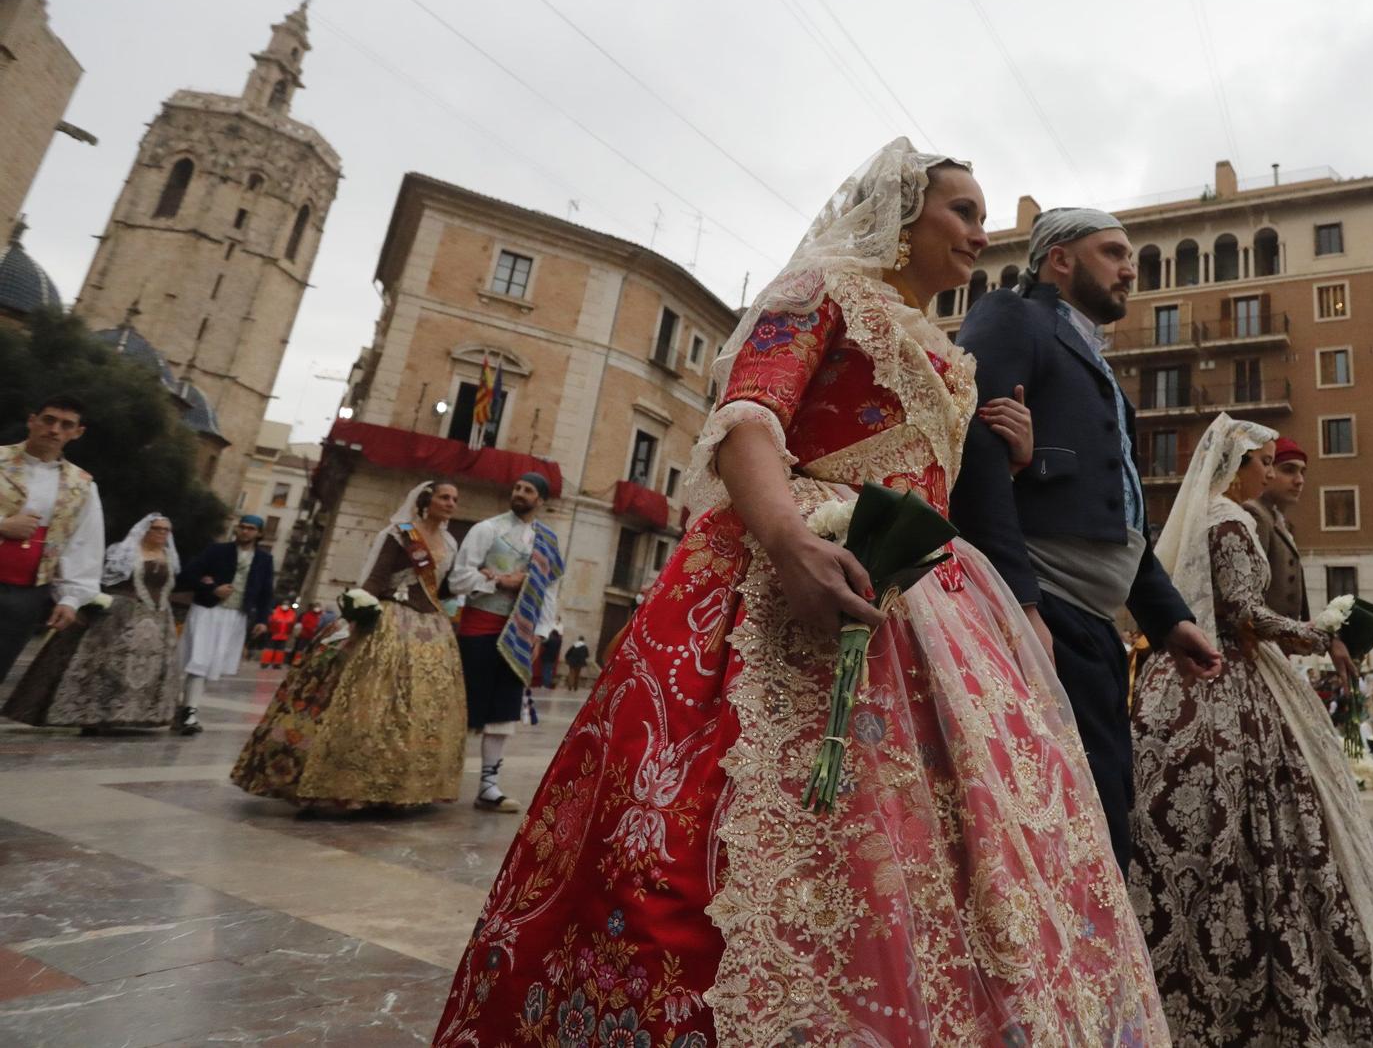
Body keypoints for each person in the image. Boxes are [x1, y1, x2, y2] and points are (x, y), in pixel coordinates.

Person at [432, 140, 1168, 1047]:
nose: (981, 233)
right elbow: (750, 416)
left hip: (936, 605)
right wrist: (785, 538)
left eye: (982, 215)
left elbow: (960, 496)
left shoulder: (949, 353)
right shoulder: (821, 290)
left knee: (942, 860)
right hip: (796, 572)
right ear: (903, 214)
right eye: (963, 211)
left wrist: (1005, 465)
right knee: (718, 839)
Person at [1129, 415, 1373, 1045]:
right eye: (1264, 462)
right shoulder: (1231, 519)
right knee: (1269, 824)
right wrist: (1318, 636)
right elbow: (1241, 611)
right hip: (1234, 683)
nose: (1270, 471)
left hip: (1179, 682)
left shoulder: (1203, 518)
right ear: (1237, 465)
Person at [951, 204, 1223, 872]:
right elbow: (976, 448)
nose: (1131, 267)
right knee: (1072, 821)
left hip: (1093, 623)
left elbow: (1121, 513)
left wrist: (1167, 616)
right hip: (1043, 611)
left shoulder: (1097, 364)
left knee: (1104, 807)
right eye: (1112, 251)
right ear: (1061, 259)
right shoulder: (1012, 315)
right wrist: (1021, 602)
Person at [233, 481, 470, 812]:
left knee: (418, 708)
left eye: (455, 499)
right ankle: (346, 783)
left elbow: (441, 589)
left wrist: (478, 581)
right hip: (391, 620)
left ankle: (401, 786)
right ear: (425, 501)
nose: (451, 503)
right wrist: (358, 613)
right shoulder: (400, 533)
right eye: (445, 497)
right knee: (368, 700)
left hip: (430, 627)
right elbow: (375, 578)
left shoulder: (449, 542)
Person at [446, 473, 564, 812]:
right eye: (517, 488)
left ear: (540, 500)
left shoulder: (548, 542)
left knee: (504, 709)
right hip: (480, 627)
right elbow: (458, 578)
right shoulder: (487, 530)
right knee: (464, 704)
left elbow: (549, 591)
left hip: (520, 635)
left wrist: (541, 633)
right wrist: (500, 582)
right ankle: (440, 777)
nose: (520, 493)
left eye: (528, 490)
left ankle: (488, 785)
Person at [3, 512, 180, 731]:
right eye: (157, 528)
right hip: (121, 615)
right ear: (145, 530)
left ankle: (133, 715)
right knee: (105, 667)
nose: (162, 533)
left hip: (158, 618)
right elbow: (101, 580)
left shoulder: (170, 556)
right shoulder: (123, 552)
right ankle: (96, 715)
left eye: (166, 530)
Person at [0, 396, 105, 684]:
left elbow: (84, 543)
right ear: (32, 421)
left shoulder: (81, 484)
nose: (55, 429)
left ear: (77, 433)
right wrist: (3, 525)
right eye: (48, 420)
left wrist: (71, 597)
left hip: (27, 593)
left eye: (66, 424)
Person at [175, 516, 276, 734]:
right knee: (199, 660)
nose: (245, 532)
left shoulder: (264, 560)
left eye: (251, 529)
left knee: (212, 663)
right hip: (207, 611)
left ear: (259, 534)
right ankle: (190, 711)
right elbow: (187, 575)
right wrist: (212, 589)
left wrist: (261, 620)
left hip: (235, 616)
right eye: (242, 527)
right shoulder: (217, 551)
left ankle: (185, 706)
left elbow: (266, 592)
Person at [1243, 435, 1318, 624]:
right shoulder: (1255, 514)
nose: (1299, 480)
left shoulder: (1275, 517)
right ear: (1266, 471)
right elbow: (1250, 596)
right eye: (1288, 470)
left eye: (1303, 472)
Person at [260, 600, 297, 668]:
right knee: (269, 649)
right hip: (274, 634)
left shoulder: (292, 614)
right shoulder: (275, 612)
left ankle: (277, 664)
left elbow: (292, 624)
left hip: (284, 635)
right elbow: (270, 621)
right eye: (284, 604)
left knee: (280, 650)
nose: (285, 606)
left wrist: (290, 633)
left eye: (287, 605)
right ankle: (265, 663)